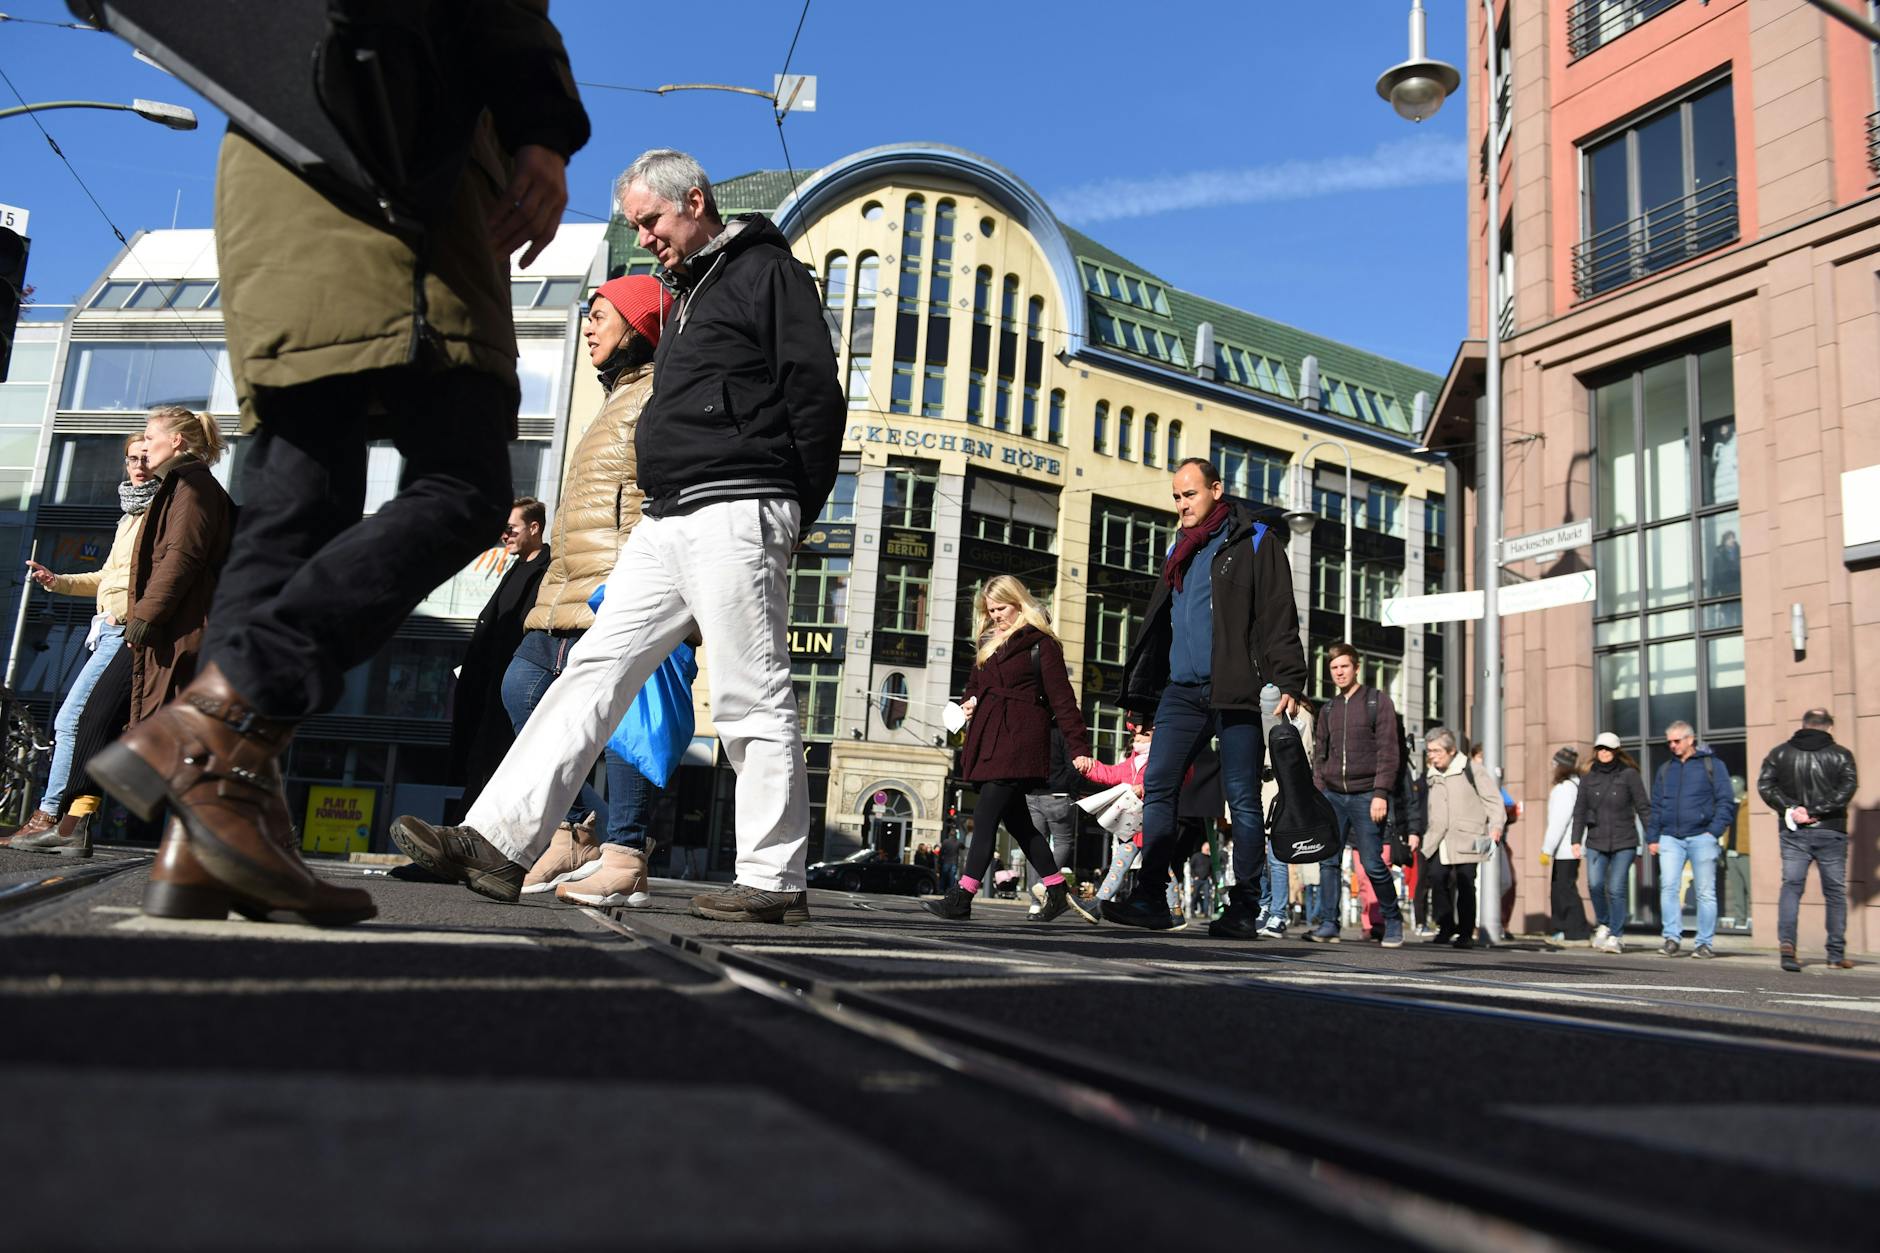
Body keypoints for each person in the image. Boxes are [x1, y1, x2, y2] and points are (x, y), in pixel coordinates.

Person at [85, 5, 589, 926]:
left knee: (294, 499)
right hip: (402, 170)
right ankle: (222, 719)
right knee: (468, 482)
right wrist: (544, 128)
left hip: (274, 155)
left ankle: (206, 843)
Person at [390, 149, 845, 923]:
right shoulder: (690, 291)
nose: (645, 239)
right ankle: (499, 842)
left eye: (652, 221)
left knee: (750, 688)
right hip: (669, 515)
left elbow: (813, 390)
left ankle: (774, 878)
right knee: (591, 672)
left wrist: (795, 506)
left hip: (740, 502)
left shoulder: (766, 273)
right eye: (636, 225)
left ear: (695, 201)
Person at [502, 274, 666, 908]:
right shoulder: (613, 398)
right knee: (523, 690)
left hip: (619, 588)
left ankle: (626, 849)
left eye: (601, 315)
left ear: (638, 326)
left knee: (628, 727)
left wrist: (640, 582)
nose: (589, 326)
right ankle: (573, 832)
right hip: (566, 591)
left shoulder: (658, 393)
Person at [1113, 458, 1307, 933]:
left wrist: (1289, 680)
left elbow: (1278, 611)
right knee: (1158, 786)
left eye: (1190, 494)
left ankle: (1243, 907)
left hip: (1236, 689)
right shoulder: (1179, 547)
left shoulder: (1257, 538)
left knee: (1241, 798)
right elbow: (1160, 628)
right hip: (1181, 691)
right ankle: (1151, 898)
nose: (1181, 504)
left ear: (1216, 489)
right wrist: (1143, 699)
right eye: (1176, 496)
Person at [4, 435, 153, 852]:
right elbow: (108, 574)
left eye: (146, 456)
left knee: (73, 722)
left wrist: (127, 616)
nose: (138, 465)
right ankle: (67, 823)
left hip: (125, 630)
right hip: (106, 630)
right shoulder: (130, 514)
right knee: (85, 724)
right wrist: (59, 582)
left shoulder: (157, 511)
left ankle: (51, 815)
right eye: (131, 459)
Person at [925, 577, 1092, 922]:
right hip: (988, 739)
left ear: (1018, 602)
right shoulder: (989, 640)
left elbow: (1064, 701)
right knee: (1020, 824)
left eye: (1001, 608)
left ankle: (963, 895)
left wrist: (1078, 748)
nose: (995, 616)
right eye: (990, 610)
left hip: (1019, 741)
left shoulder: (1041, 645)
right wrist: (966, 704)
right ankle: (1057, 889)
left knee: (984, 817)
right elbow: (974, 686)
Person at [445, 497, 550, 814]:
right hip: (489, 689)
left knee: (498, 770)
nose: (504, 536)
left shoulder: (547, 570)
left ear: (534, 527)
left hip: (513, 688)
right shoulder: (515, 569)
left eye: (510, 528)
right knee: (480, 771)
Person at [1308, 643, 1404, 947]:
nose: (1338, 672)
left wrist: (1381, 793)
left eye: (1344, 667)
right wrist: (1319, 793)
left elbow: (1389, 752)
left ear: (1356, 667)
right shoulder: (1329, 709)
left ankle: (1392, 922)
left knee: (1374, 863)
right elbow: (1319, 756)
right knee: (1328, 862)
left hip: (1367, 796)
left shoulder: (1378, 702)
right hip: (1333, 796)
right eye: (1334, 668)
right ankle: (1329, 924)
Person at [1757, 708, 1859, 973]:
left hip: (1794, 832)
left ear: (1804, 725)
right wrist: (1816, 811)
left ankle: (1787, 947)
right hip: (1831, 829)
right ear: (1829, 726)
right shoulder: (1841, 755)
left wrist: (1794, 808)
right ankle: (1835, 956)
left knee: (1791, 887)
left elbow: (1765, 786)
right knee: (1835, 892)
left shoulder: (1779, 753)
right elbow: (1847, 789)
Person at [1646, 720, 1735, 959]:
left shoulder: (1712, 765)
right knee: (1668, 887)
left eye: (1676, 741)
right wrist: (1653, 836)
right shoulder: (1666, 769)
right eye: (1669, 742)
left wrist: (1713, 832)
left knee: (1705, 892)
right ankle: (1672, 938)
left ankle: (1704, 943)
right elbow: (1656, 805)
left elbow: (1726, 800)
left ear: (1690, 739)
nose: (1672, 746)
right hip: (1670, 838)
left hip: (1701, 836)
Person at [1418, 727, 1504, 949]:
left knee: (1466, 882)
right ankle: (1445, 926)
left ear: (1451, 750)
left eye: (1437, 751)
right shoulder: (1431, 774)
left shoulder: (1472, 770)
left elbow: (1493, 800)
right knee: (1437, 878)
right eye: (1429, 751)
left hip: (1468, 835)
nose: (1432, 756)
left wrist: (1496, 826)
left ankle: (1465, 933)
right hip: (1437, 837)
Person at [1573, 732, 1651, 953]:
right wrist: (1575, 840)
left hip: (1624, 840)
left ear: (1616, 751)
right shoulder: (1588, 777)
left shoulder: (1629, 775)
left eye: (1608, 749)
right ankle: (1604, 923)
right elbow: (1579, 810)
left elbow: (1643, 807)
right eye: (1600, 749)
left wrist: (1652, 837)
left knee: (1616, 888)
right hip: (1596, 840)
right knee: (1595, 885)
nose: (1604, 753)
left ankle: (1616, 935)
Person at [1026, 727, 1098, 922]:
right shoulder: (1065, 732)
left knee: (1034, 844)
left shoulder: (1033, 726)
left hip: (1032, 793)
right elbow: (1073, 765)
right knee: (1063, 842)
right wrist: (1073, 792)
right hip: (1058, 794)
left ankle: (1034, 903)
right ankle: (1042, 883)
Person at [1538, 746, 1590, 945]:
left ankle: (1573, 931)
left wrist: (1546, 849)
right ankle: (1567, 929)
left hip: (1565, 849)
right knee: (1565, 888)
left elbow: (1558, 821)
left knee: (1563, 890)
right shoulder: (1576, 785)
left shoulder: (1564, 788)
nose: (1552, 767)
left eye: (1554, 763)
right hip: (1570, 847)